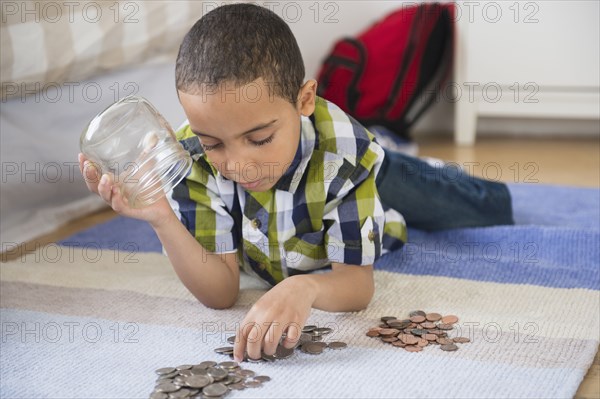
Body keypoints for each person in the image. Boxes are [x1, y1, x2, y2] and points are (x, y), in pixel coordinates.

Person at [78, 3, 513, 363]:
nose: (240, 166)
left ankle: (396, 160)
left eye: (260, 138)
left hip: (338, 166)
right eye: (214, 143)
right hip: (315, 187)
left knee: (488, 209)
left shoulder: (348, 157)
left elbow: (357, 287)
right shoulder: (191, 159)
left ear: (304, 100)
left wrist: (302, 286)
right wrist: (162, 219)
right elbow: (221, 293)